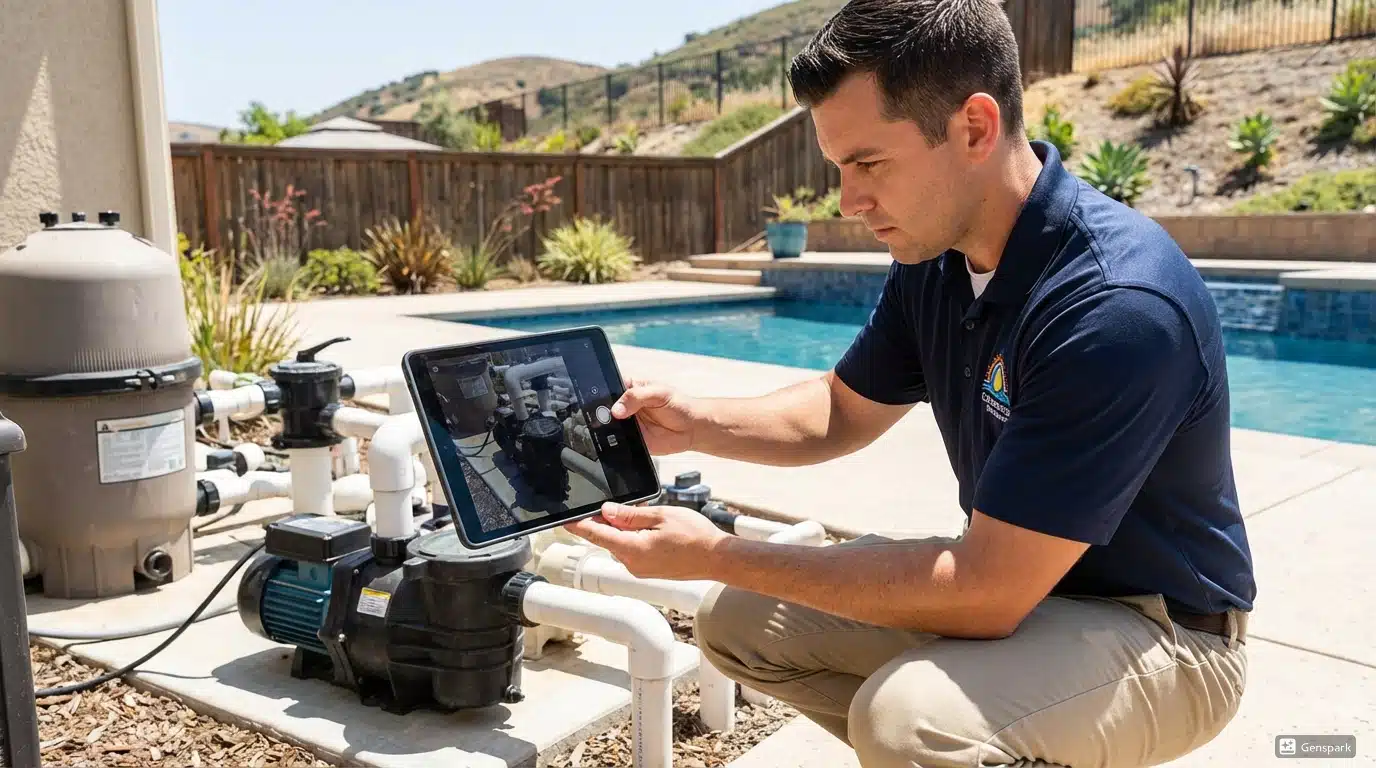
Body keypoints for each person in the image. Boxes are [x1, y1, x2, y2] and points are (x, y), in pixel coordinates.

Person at [564, 1, 1256, 765]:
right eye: (838, 169)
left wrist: (718, 552)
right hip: (1028, 589)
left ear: (974, 129)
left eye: (868, 164)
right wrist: (692, 421)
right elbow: (838, 411)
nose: (849, 201)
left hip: (1162, 630)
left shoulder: (1115, 307)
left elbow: (985, 592)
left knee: (914, 723)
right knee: (742, 623)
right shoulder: (937, 261)